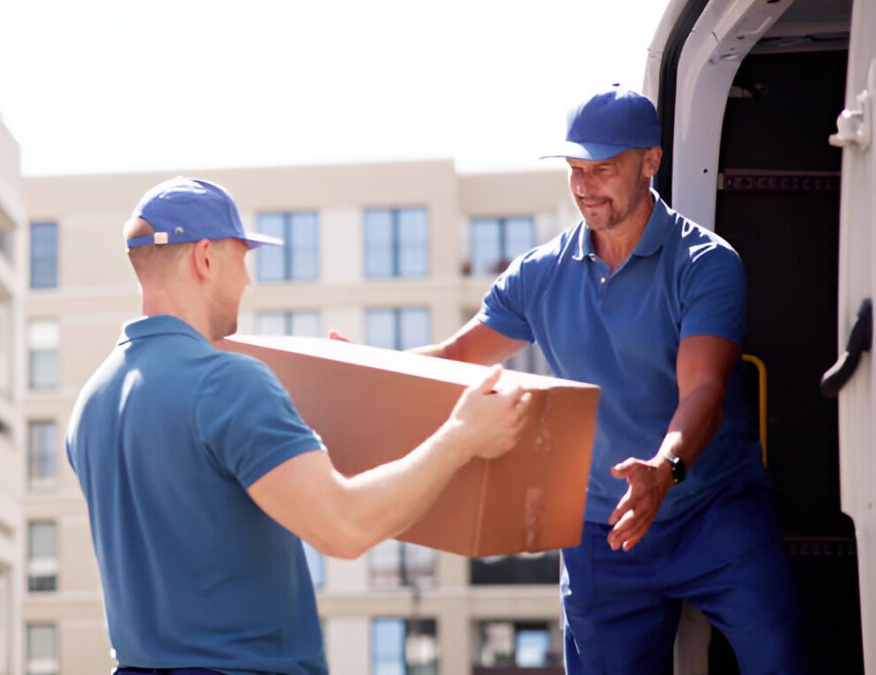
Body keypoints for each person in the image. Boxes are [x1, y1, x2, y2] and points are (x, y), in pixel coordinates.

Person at [65, 176, 533, 675]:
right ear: (205, 258)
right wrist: (461, 437)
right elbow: (344, 527)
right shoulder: (227, 382)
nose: (248, 279)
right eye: (242, 257)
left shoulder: (92, 401)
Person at [412, 87, 806, 673]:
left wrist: (664, 470)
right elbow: (454, 356)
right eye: (575, 169)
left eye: (602, 168)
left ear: (651, 161)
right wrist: (353, 368)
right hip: (605, 532)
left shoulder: (706, 263)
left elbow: (704, 390)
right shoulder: (539, 275)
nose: (584, 186)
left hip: (715, 514)